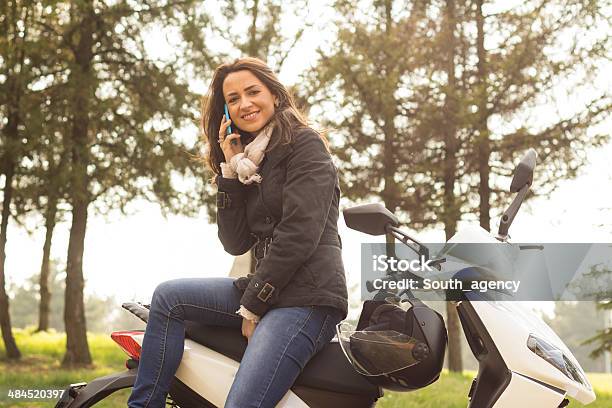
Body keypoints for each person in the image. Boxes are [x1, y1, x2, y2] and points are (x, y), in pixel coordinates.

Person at [127, 57, 348, 408]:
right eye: (233, 99)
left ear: (275, 95)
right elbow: (235, 242)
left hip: (307, 297)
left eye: (252, 92)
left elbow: (299, 235)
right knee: (168, 297)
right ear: (226, 112)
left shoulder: (306, 146)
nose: (244, 104)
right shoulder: (249, 162)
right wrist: (230, 172)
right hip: (267, 290)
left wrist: (251, 307)